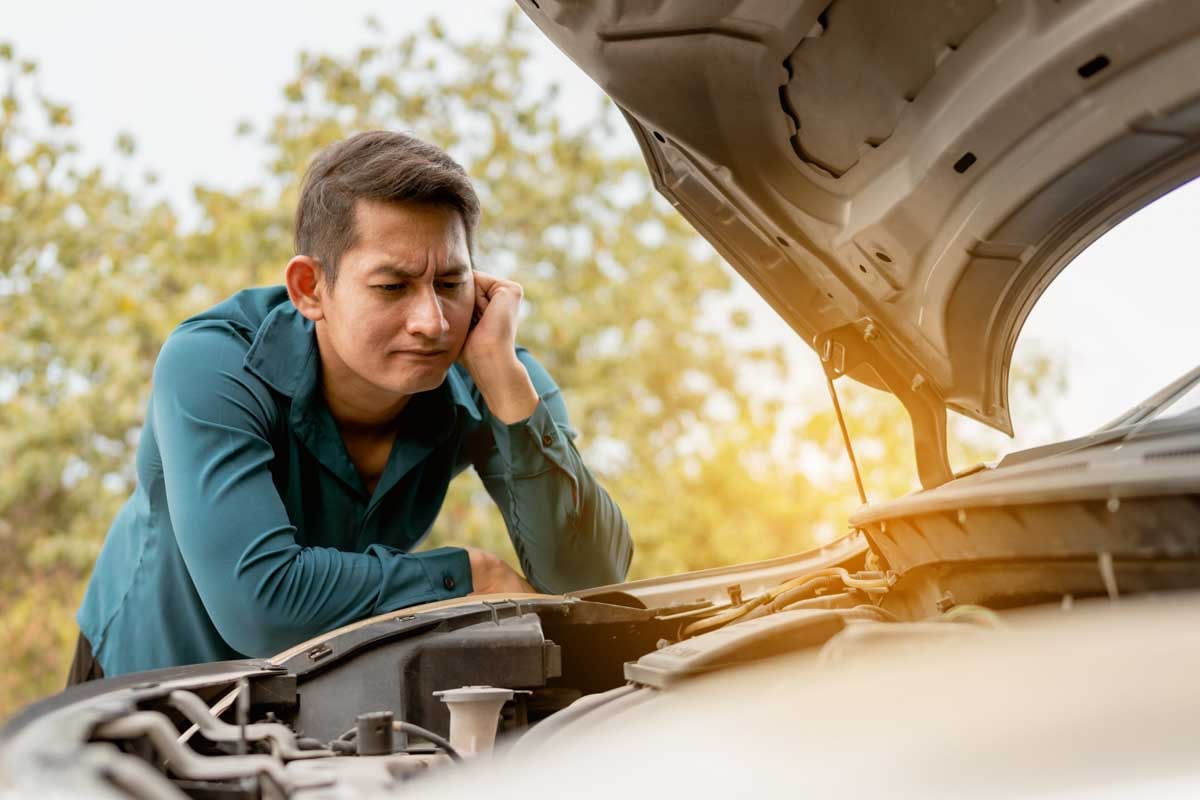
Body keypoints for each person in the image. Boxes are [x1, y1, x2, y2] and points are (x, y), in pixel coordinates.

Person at [69, 130, 633, 682]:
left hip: (314, 697)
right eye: (392, 287)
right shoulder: (210, 363)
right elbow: (261, 606)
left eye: (451, 282)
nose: (432, 322)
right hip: (142, 691)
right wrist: (471, 576)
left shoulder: (496, 370)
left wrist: (507, 388)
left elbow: (588, 581)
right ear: (309, 288)